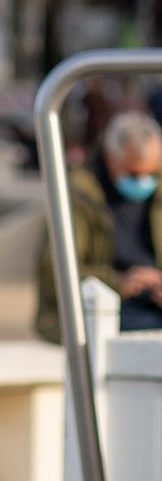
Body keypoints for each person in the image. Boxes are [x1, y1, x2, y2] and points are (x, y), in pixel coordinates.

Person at [36, 111, 162, 341]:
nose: (144, 181)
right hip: (98, 311)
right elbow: (55, 272)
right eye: (134, 174)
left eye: (151, 173)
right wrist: (120, 283)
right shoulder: (78, 196)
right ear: (111, 159)